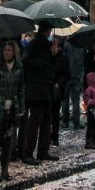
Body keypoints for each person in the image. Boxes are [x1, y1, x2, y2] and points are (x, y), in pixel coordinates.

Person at [0, 39, 25, 182]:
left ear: (14, 52)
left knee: (8, 141)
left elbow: (21, 88)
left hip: (11, 109)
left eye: (10, 50)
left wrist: (21, 107)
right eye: (5, 50)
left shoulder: (19, 67)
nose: (7, 52)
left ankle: (5, 169)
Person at [21, 20, 58, 164]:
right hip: (37, 88)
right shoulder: (35, 45)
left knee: (45, 120)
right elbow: (27, 62)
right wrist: (45, 61)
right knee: (35, 121)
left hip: (44, 87)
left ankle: (42, 150)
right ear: (46, 31)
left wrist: (53, 55)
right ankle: (29, 152)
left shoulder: (45, 45)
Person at [49, 34, 70, 146]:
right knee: (48, 114)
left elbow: (67, 74)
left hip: (57, 90)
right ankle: (47, 136)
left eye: (55, 44)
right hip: (48, 88)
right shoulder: (49, 58)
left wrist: (59, 84)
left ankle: (55, 136)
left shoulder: (63, 58)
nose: (53, 47)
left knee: (56, 114)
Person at [61, 36, 86, 130]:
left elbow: (64, 59)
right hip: (77, 76)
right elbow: (82, 62)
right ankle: (76, 122)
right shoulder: (81, 47)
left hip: (67, 75)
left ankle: (65, 121)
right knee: (75, 100)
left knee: (65, 100)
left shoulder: (67, 44)